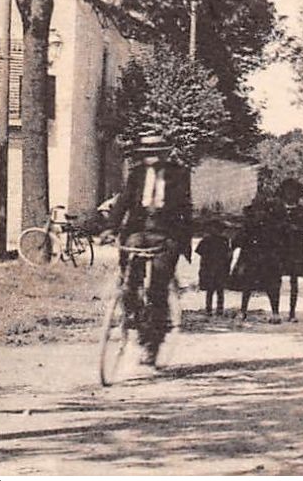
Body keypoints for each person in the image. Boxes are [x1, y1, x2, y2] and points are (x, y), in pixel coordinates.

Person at [94, 135, 193, 367]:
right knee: (129, 280)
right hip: (138, 231)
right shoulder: (136, 175)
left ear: (165, 153)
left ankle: (152, 342)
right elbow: (123, 203)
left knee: (158, 285)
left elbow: (185, 208)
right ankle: (132, 315)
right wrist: (110, 228)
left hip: (164, 233)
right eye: (147, 152)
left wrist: (181, 241)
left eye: (157, 152)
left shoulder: (179, 175)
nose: (152, 157)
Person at [228, 192, 283, 323]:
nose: (259, 212)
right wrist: (235, 246)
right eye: (257, 209)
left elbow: (280, 241)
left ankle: (275, 313)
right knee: (247, 284)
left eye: (261, 209)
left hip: (268, 258)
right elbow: (240, 238)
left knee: (272, 285)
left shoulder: (273, 224)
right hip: (251, 257)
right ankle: (243, 311)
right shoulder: (249, 223)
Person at [276, 178, 303, 323]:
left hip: (295, 248)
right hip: (279, 247)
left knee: (294, 280)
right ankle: (275, 311)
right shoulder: (277, 210)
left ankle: (292, 312)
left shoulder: (301, 211)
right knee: (276, 279)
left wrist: (295, 228)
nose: (290, 194)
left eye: (293, 191)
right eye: (287, 190)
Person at [194, 221, 232, 318]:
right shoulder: (224, 240)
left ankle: (210, 310)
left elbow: (199, 252)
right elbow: (228, 255)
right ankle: (218, 310)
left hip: (210, 267)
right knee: (218, 290)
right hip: (218, 267)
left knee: (211, 290)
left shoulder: (206, 240)